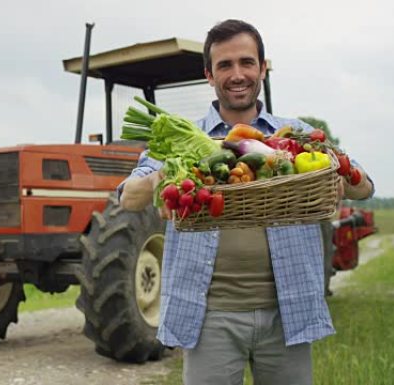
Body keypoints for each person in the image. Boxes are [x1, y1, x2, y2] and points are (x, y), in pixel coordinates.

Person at [119, 19, 374, 385]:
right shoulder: (182, 140)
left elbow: (364, 186)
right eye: (225, 65)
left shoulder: (295, 134)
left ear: (262, 68)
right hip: (211, 318)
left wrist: (339, 178)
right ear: (209, 74)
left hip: (288, 311)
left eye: (246, 62)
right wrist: (173, 175)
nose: (237, 74)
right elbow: (128, 196)